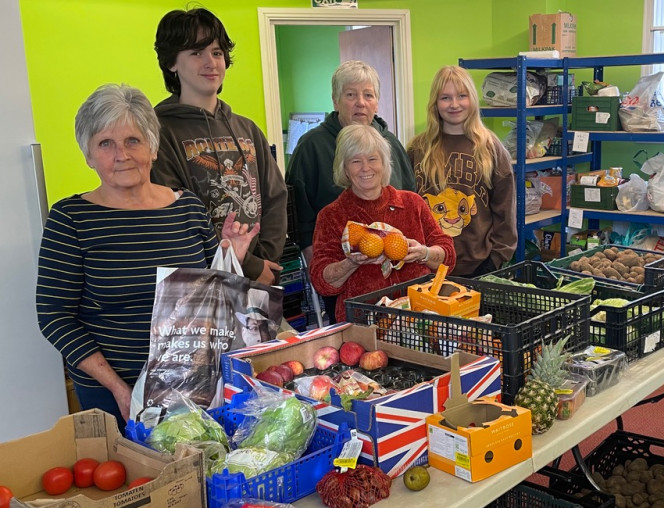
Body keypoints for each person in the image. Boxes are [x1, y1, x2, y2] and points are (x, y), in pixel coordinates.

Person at [36, 84, 258, 430]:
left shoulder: (187, 209)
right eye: (105, 144)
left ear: (152, 148)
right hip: (110, 393)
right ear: (89, 156)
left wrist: (230, 260)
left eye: (132, 141)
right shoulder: (70, 219)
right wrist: (119, 389)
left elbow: (213, 303)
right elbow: (54, 317)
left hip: (193, 385)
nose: (121, 154)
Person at [151, 7, 287, 286]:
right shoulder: (158, 132)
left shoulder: (247, 129)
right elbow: (177, 217)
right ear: (171, 63)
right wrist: (246, 265)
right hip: (200, 283)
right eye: (196, 53)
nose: (211, 62)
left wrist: (263, 263)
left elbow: (275, 197)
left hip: (258, 280)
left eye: (216, 52)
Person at [309, 124, 455, 324]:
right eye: (355, 161)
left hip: (421, 318)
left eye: (372, 159)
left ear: (384, 163)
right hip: (364, 324)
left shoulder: (412, 203)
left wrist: (424, 253)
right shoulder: (332, 215)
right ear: (344, 168)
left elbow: (448, 256)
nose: (365, 168)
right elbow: (321, 281)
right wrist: (351, 263)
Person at [287, 60, 416, 267]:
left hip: (395, 265)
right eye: (350, 95)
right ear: (335, 101)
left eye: (368, 95)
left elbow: (411, 201)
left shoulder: (391, 143)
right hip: (338, 267)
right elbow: (299, 217)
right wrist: (319, 269)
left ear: (376, 102)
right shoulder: (311, 146)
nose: (360, 102)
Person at [407, 65, 516, 277]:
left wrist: (495, 260)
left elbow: (505, 211)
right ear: (435, 103)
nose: (454, 104)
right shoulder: (417, 149)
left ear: (472, 99)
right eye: (445, 98)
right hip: (426, 265)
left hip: (479, 267)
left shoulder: (490, 148)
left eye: (462, 96)